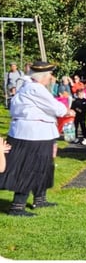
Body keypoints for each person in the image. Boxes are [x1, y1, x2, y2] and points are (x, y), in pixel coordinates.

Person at [0, 60, 76, 216]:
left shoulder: (30, 87)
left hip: (38, 133)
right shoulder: (35, 89)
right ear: (42, 76)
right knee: (28, 168)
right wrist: (67, 110)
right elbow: (57, 108)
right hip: (31, 135)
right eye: (49, 74)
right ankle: (17, 206)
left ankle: (40, 199)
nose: (51, 77)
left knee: (43, 166)